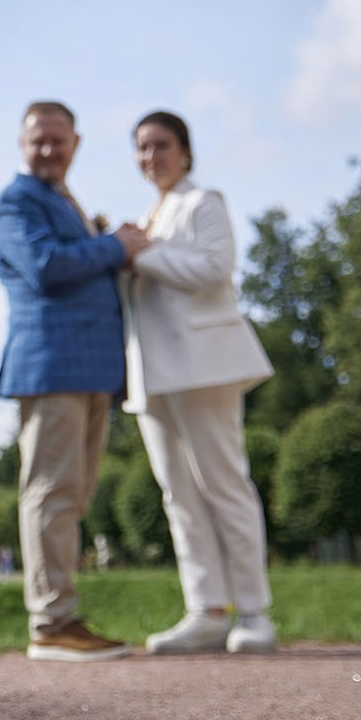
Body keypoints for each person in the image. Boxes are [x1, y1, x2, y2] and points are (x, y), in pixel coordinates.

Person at [0, 100, 151, 661]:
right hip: (51, 364)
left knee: (72, 495)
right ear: (22, 143)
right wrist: (115, 246)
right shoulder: (15, 203)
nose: (49, 150)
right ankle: (52, 621)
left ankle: (62, 615)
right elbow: (46, 267)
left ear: (76, 143)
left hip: (89, 368)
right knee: (51, 493)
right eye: (39, 140)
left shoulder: (61, 202)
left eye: (59, 140)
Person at [121, 110, 277, 654]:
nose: (151, 156)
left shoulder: (202, 201)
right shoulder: (148, 215)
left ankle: (254, 611)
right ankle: (206, 608)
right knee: (178, 495)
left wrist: (144, 254)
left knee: (224, 485)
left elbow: (215, 269)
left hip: (205, 366)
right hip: (154, 374)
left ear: (184, 151)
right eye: (141, 148)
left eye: (160, 145)